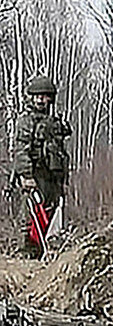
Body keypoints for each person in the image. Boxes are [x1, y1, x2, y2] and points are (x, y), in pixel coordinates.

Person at [11, 75, 71, 259]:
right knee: (29, 217)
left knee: (50, 216)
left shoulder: (53, 122)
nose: (41, 100)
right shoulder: (26, 121)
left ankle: (42, 252)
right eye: (37, 96)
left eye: (45, 96)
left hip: (52, 178)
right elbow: (21, 149)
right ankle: (24, 254)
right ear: (31, 97)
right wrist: (25, 175)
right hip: (34, 176)